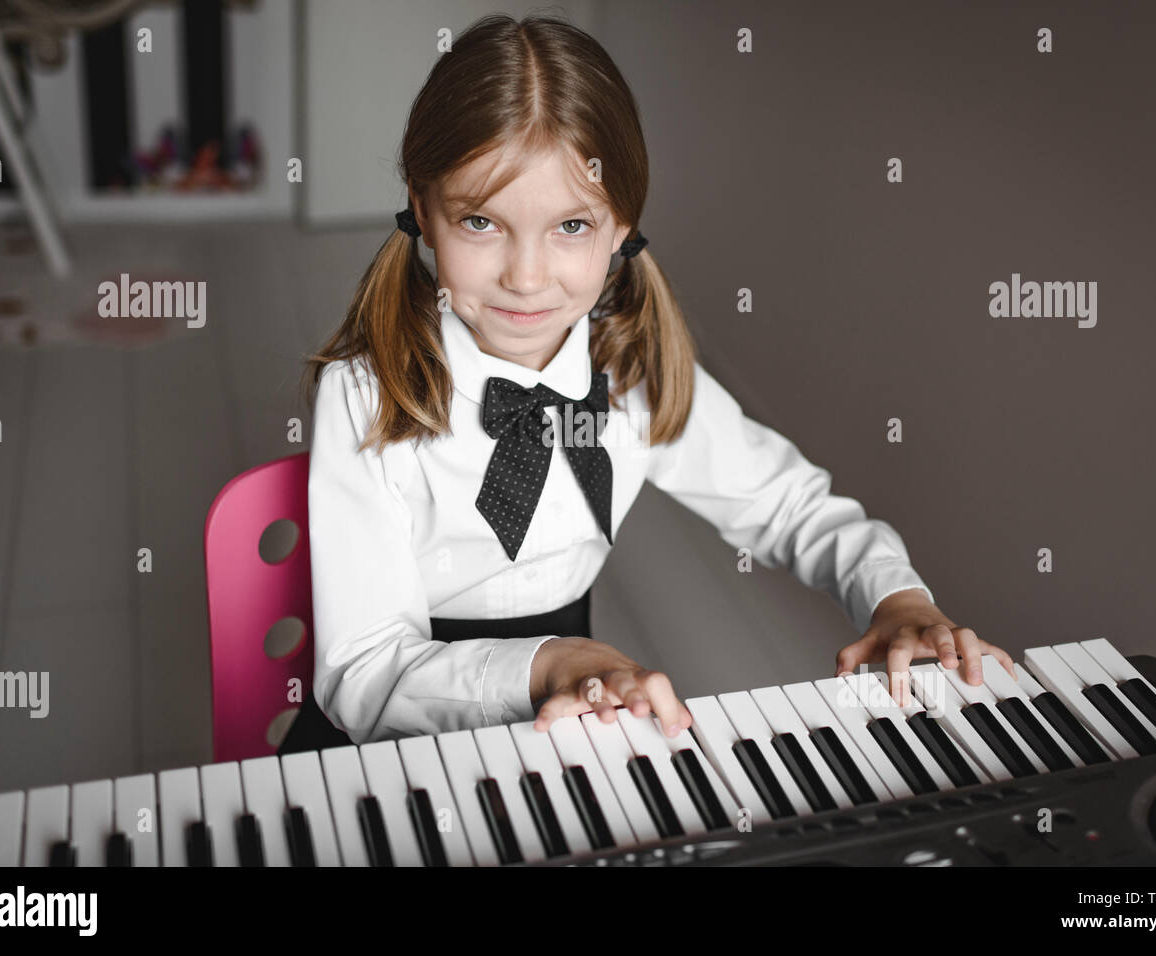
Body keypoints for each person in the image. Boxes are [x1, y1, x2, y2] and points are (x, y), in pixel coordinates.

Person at [277, 13, 1015, 756]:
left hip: (568, 724)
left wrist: (895, 595)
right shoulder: (367, 395)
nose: (526, 277)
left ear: (621, 222)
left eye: (571, 227)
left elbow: (789, 504)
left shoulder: (634, 370)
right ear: (424, 210)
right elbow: (363, 671)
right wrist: (549, 663)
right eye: (480, 223)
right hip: (387, 747)